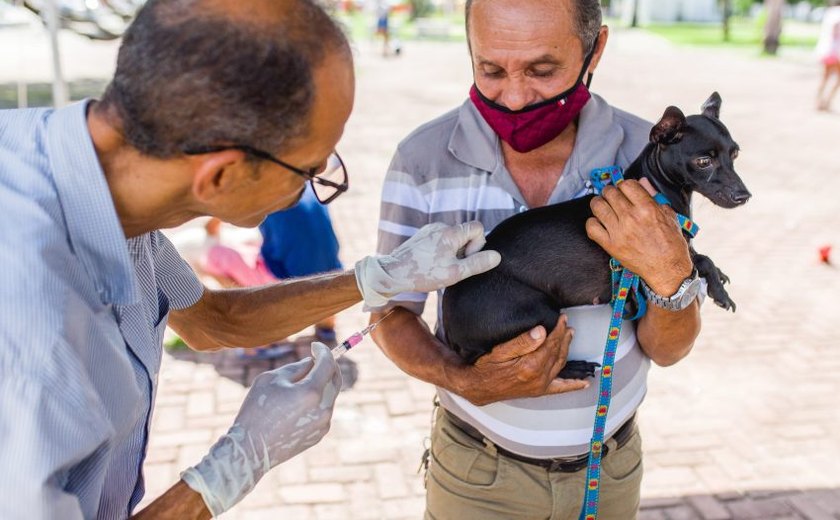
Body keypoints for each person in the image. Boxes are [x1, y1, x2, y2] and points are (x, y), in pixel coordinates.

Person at [0, 0, 501, 518]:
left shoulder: (101, 171)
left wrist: (376, 277)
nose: (315, 182)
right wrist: (228, 470)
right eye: (309, 169)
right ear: (221, 176)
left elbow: (210, 320)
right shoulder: (28, 332)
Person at [369, 0, 702, 518]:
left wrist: (670, 274)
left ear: (596, 49)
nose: (517, 97)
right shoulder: (422, 159)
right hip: (474, 476)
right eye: (491, 70)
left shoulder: (652, 154)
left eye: (543, 71)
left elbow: (668, 349)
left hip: (608, 472)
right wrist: (464, 381)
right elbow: (390, 315)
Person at [816, 0, 840, 111]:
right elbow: (836, 31)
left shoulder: (830, 12)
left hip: (827, 50)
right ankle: (827, 101)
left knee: (825, 78)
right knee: (837, 80)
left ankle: (819, 101)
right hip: (835, 51)